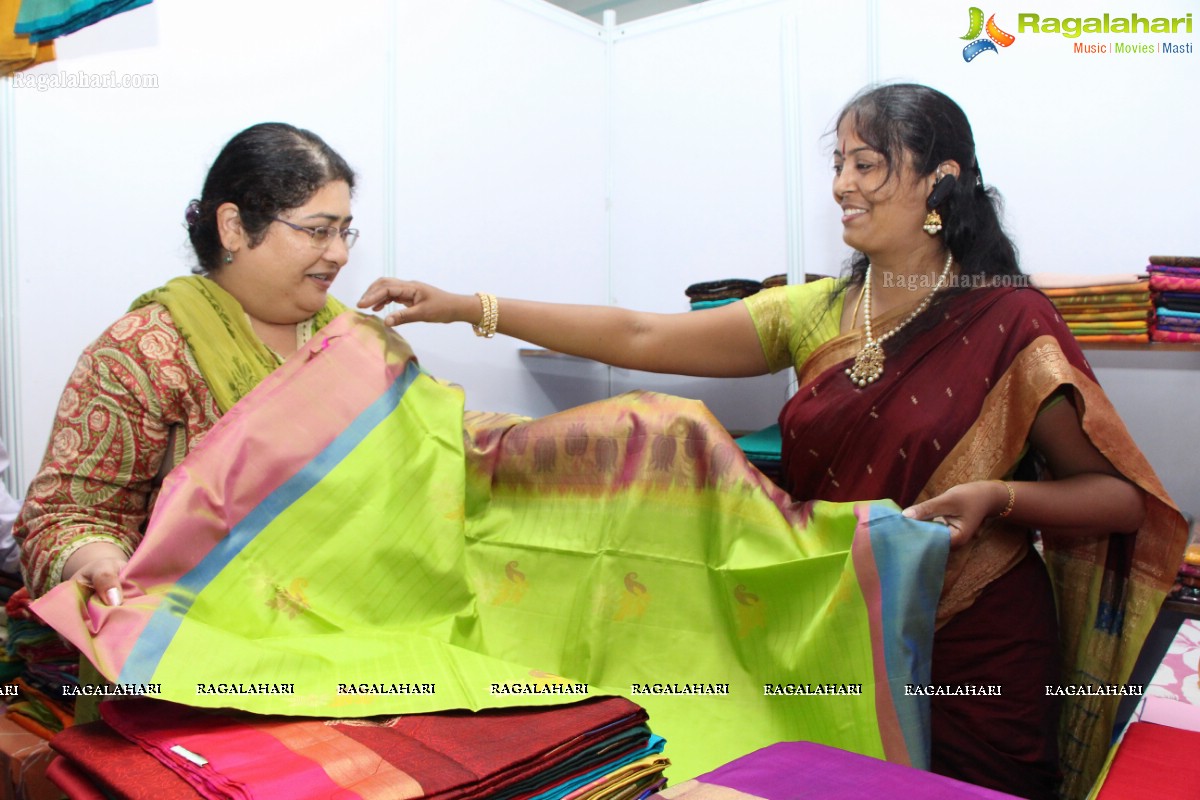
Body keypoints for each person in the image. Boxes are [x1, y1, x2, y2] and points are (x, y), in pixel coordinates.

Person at [358, 83, 1186, 800]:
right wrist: (470, 305)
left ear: (942, 181)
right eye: (838, 165)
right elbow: (643, 334)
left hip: (976, 638)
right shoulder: (817, 310)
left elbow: (1117, 498)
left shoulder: (1010, 320)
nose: (841, 187)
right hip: (830, 624)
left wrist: (996, 497)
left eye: (866, 165)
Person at [15, 121, 358, 609]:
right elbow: (66, 515)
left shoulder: (356, 344)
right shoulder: (145, 352)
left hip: (360, 615)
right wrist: (96, 560)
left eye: (345, 232)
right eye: (319, 231)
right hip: (197, 633)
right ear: (234, 228)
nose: (340, 254)